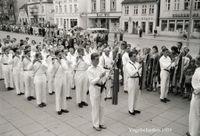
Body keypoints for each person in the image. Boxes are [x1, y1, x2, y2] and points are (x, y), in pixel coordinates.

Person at [87, 53, 107, 131]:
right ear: (92, 60)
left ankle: (101, 123)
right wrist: (100, 77)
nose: (98, 61)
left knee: (102, 106)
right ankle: (95, 124)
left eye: (98, 59)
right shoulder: (89, 69)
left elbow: (104, 74)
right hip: (94, 90)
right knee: (95, 107)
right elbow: (92, 82)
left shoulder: (100, 67)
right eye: (96, 59)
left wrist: (107, 76)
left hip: (101, 89)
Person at [125, 50, 141, 115]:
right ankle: (130, 109)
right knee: (131, 95)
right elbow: (131, 73)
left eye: (136, 56)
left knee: (137, 95)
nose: (136, 57)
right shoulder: (127, 65)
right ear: (130, 57)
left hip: (137, 79)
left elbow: (140, 72)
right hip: (131, 80)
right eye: (134, 56)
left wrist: (138, 70)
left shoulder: (137, 63)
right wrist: (137, 69)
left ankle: (135, 108)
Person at [187, 56, 200, 136]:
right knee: (193, 113)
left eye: (197, 60)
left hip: (197, 94)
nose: (195, 61)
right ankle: (191, 130)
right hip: (195, 92)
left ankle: (194, 133)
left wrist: (197, 91)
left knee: (196, 114)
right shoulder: (197, 69)